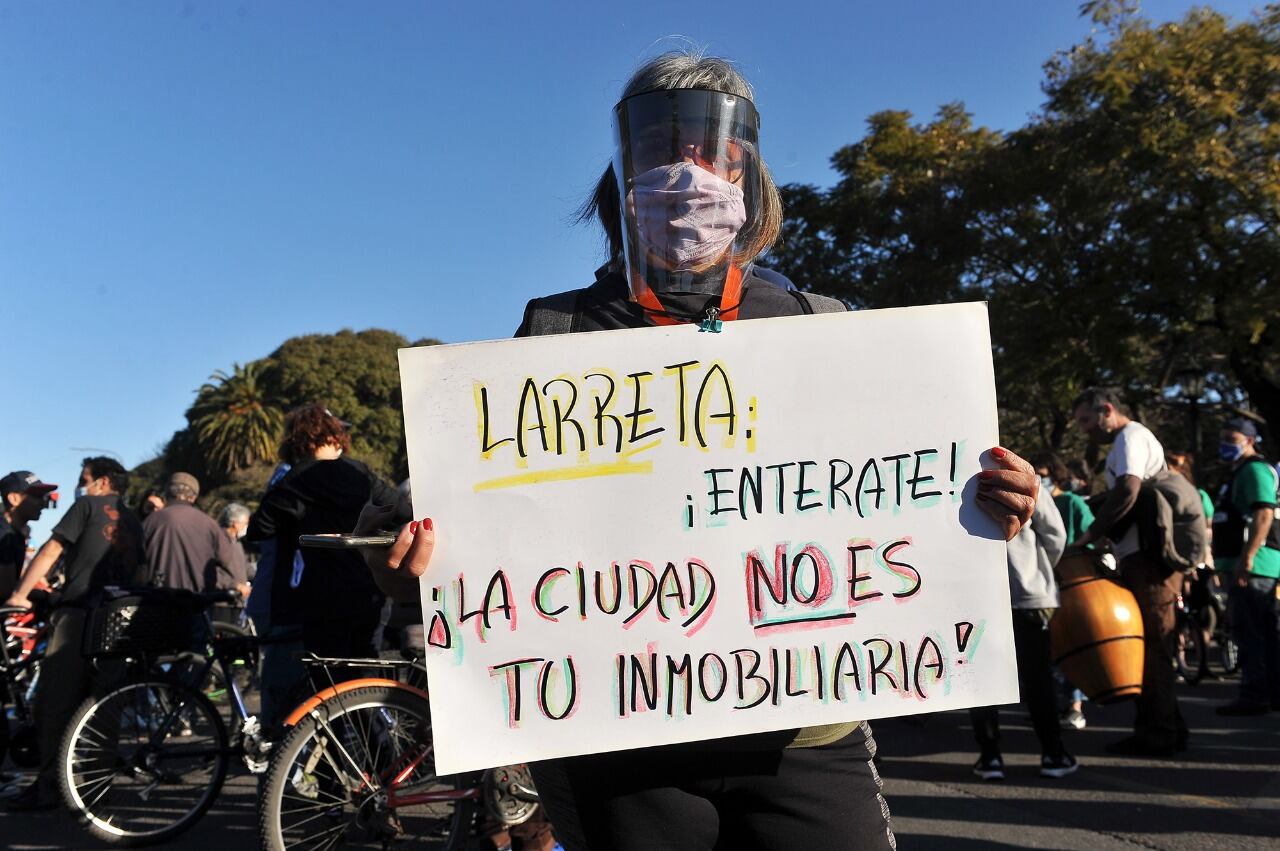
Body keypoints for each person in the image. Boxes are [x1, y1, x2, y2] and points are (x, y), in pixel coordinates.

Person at [355, 52, 1041, 851]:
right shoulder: (555, 335)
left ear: (749, 175)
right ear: (622, 175)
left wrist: (995, 500)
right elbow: (476, 520)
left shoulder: (821, 324)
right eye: (658, 150)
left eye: (713, 153)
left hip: (805, 738)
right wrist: (419, 556)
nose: (687, 172)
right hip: (622, 745)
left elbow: (902, 497)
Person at [4, 456, 145, 811]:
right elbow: (142, 572)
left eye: (84, 478)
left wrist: (20, 595)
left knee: (55, 703)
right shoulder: (133, 519)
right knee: (105, 705)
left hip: (79, 615)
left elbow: (52, 549)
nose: (80, 485)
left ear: (101, 481)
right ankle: (96, 787)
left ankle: (49, 786)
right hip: (118, 618)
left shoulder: (86, 505)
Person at [1071, 386, 1188, 755]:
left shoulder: (1130, 438)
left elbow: (1128, 490)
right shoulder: (1128, 441)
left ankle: (1158, 734)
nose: (1085, 430)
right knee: (1152, 644)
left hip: (1148, 561)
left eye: (1087, 421)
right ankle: (1166, 727)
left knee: (1152, 646)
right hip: (1141, 557)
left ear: (1107, 410)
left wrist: (1092, 533)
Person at [247, 404, 397, 672]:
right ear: (334, 436)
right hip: (370, 588)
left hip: (320, 597)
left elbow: (259, 528)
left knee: (330, 683)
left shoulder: (295, 481)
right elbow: (399, 509)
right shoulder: (360, 473)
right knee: (364, 678)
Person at [971, 482, 1076, 780]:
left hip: (979, 597)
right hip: (1027, 593)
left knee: (984, 681)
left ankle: (990, 757)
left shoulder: (955, 474)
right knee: (1038, 680)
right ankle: (1053, 752)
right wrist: (1039, 571)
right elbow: (1055, 535)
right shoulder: (1023, 476)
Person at [1211, 417, 1280, 715]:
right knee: (1260, 632)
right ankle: (1267, 693)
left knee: (1252, 632)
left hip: (1255, 567)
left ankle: (1254, 695)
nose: (1226, 444)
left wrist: (1247, 558)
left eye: (1232, 438)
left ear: (1250, 441)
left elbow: (1263, 513)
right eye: (1224, 437)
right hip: (1247, 565)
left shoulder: (1253, 471)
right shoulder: (1239, 473)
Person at [143, 472, 249, 598]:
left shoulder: (149, 521)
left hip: (156, 600)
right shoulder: (209, 524)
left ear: (167, 493)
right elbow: (226, 559)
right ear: (193, 497)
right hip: (197, 601)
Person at [0, 471, 57, 601]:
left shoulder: (17, 533)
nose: (43, 503)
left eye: (43, 497)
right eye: (37, 496)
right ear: (14, 499)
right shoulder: (4, 535)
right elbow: (5, 590)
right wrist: (47, 597)